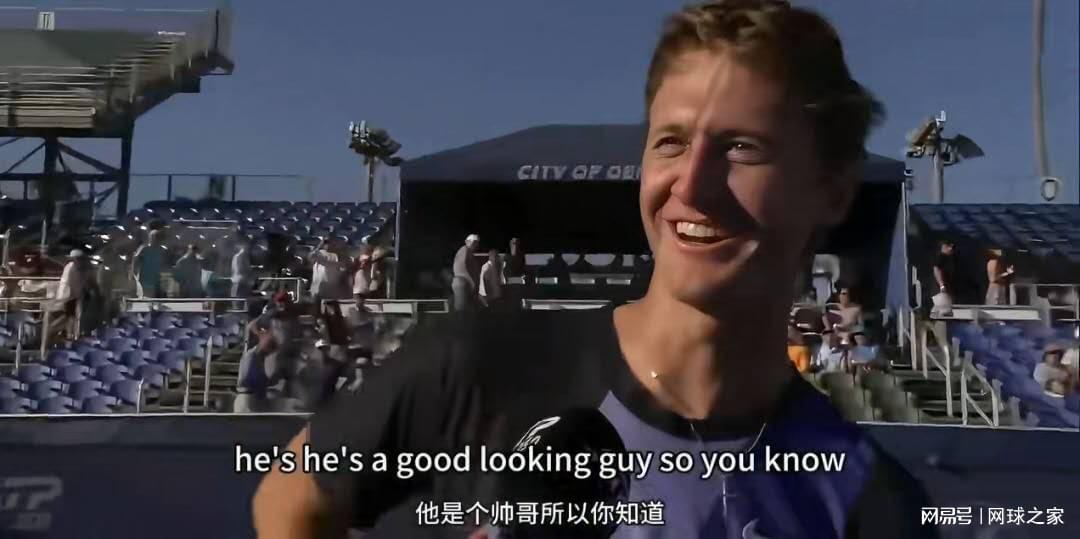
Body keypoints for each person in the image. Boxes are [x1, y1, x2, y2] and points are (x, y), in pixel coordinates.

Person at [253, 2, 935, 538]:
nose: (690, 185)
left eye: (742, 148)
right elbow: (287, 499)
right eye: (671, 142)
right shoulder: (476, 364)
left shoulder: (868, 499)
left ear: (832, 189)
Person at [131, 229, 166, 298]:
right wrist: (133, 273)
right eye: (153, 238)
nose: (155, 240)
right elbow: (136, 260)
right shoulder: (144, 249)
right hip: (145, 279)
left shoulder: (162, 250)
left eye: (157, 238)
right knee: (146, 297)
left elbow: (163, 264)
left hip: (156, 279)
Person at [451, 234, 481, 311]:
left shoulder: (469, 252)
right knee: (462, 309)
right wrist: (472, 282)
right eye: (474, 242)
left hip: (465, 284)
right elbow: (462, 267)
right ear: (467, 241)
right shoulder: (465, 250)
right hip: (462, 283)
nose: (476, 245)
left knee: (467, 309)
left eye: (477, 243)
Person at [932, 240, 955, 304]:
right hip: (940, 290)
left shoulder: (949, 258)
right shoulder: (941, 257)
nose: (950, 249)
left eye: (952, 247)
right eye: (948, 246)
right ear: (943, 247)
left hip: (946, 288)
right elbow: (936, 269)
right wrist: (941, 285)